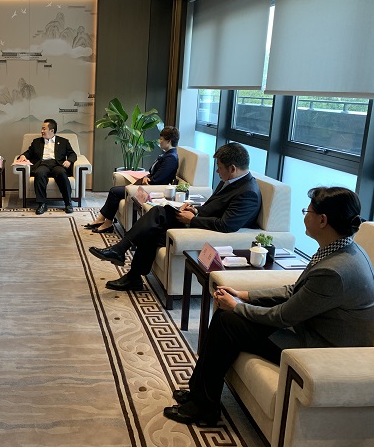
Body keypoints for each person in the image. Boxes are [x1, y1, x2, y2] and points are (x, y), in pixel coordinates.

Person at [163, 187, 374, 425]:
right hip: (311, 328)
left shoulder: (335, 271)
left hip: (320, 350)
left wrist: (236, 307)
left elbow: (283, 316)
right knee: (226, 316)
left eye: (307, 211)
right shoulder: (341, 248)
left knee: (228, 320)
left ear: (322, 220)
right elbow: (295, 290)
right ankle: (200, 396)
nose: (304, 216)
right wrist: (245, 295)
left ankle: (204, 406)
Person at [90, 143, 261, 290]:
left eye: (220, 167)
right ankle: (130, 272)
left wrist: (192, 219)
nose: (217, 171)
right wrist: (195, 210)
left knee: (156, 217)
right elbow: (215, 207)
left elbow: (226, 225)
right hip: (199, 220)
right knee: (153, 223)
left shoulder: (248, 193)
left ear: (233, 168)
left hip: (205, 231)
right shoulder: (230, 181)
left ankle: (122, 255)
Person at [84, 126, 180, 234]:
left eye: (162, 139)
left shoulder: (171, 158)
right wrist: (146, 177)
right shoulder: (167, 155)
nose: (160, 141)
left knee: (114, 192)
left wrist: (147, 179)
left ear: (169, 141)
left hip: (152, 190)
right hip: (148, 185)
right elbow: (154, 174)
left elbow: (158, 179)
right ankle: (101, 219)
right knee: (115, 191)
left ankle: (107, 223)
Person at [16, 119, 77, 215]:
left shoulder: (63, 141)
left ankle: (68, 203)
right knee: (39, 173)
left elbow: (72, 154)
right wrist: (23, 156)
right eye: (42, 129)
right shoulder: (36, 142)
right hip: (43, 164)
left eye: (44, 129)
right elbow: (29, 152)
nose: (42, 131)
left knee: (61, 173)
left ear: (52, 130)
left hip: (57, 164)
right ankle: (42, 204)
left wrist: (69, 161)